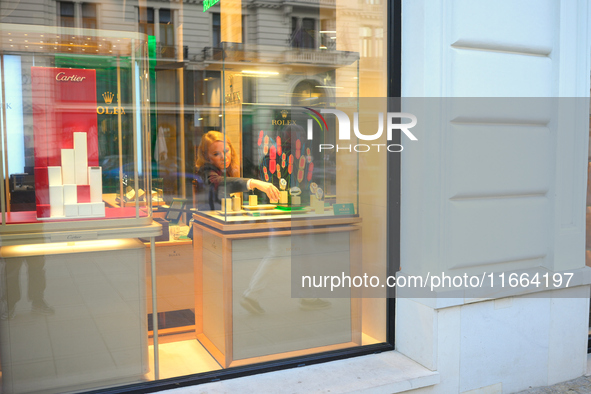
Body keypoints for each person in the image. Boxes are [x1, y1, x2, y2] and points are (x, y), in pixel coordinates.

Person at [195, 131, 280, 211]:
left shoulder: (229, 169)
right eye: (216, 154)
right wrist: (253, 183)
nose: (224, 157)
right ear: (206, 156)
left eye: (226, 151)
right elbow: (215, 181)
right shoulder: (205, 170)